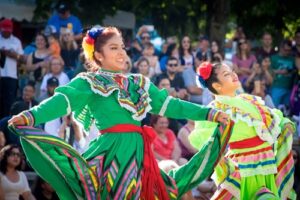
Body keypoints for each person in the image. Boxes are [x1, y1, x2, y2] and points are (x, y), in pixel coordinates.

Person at [8, 26, 230, 200]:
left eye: (122, 47)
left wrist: (209, 113)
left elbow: (172, 105)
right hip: (110, 153)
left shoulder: (138, 82)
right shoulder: (89, 81)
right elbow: (61, 101)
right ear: (99, 56)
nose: (122, 52)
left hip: (140, 155)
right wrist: (31, 116)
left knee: (164, 188)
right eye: (114, 48)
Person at [189, 61, 296, 199]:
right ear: (217, 86)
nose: (234, 75)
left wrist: (284, 123)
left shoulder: (248, 99)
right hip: (242, 167)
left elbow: (273, 115)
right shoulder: (215, 110)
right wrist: (221, 160)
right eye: (227, 74)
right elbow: (199, 138)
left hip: (266, 160)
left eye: (232, 71)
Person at [0, 18, 24, 118]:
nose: (7, 33)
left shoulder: (16, 41)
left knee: (9, 102)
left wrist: (12, 55)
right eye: (5, 31)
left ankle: (7, 122)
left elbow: (22, 58)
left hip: (11, 76)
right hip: (0, 75)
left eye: (8, 31)